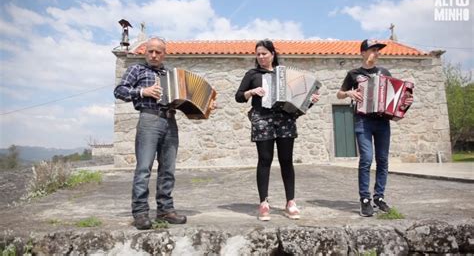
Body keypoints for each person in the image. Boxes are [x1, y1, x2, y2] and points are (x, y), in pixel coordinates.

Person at [114, 37, 216, 229]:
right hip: (148, 119)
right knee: (144, 169)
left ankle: (165, 210)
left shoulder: (171, 75)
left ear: (164, 54)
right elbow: (119, 91)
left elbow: (186, 100)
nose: (154, 55)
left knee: (168, 169)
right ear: (145, 52)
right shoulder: (136, 70)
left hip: (170, 121)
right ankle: (140, 213)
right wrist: (144, 92)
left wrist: (206, 105)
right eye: (151, 51)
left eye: (158, 52)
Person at [235, 39, 320, 221]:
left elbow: (298, 103)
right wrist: (252, 92)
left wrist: (310, 101)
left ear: (272, 54)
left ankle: (290, 202)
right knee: (264, 160)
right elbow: (239, 96)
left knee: (286, 160)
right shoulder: (252, 74)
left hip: (285, 119)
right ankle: (263, 203)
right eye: (258, 54)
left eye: (264, 53)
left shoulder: (284, 74)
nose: (260, 57)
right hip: (262, 118)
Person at [336, 39, 413, 217]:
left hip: (382, 122)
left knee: (383, 160)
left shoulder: (384, 72)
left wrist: (406, 101)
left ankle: (379, 197)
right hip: (363, 120)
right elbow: (339, 94)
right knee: (366, 159)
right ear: (363, 53)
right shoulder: (354, 74)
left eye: (378, 51)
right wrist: (349, 93)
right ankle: (365, 199)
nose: (376, 53)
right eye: (373, 50)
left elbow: (397, 96)